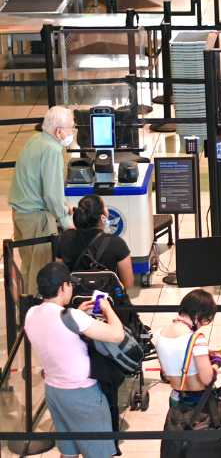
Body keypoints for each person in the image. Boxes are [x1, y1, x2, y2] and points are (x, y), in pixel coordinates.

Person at [26, 263, 128, 458]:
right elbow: (117, 335)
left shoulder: (31, 314)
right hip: (83, 395)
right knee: (100, 453)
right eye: (71, 285)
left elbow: (57, 335)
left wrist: (77, 313)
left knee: (69, 451)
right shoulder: (73, 317)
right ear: (64, 286)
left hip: (54, 392)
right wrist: (107, 309)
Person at [9, 106, 77, 294]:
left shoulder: (35, 140)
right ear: (59, 131)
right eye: (71, 128)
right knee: (40, 272)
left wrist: (63, 203)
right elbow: (51, 194)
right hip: (37, 219)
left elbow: (38, 182)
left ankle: (23, 314)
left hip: (21, 215)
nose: (73, 132)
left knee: (28, 267)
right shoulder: (52, 149)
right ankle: (35, 317)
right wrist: (67, 221)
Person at [153, 289, 221, 405]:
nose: (202, 325)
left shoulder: (160, 334)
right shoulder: (196, 339)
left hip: (176, 399)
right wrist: (217, 362)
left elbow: (167, 373)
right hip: (198, 402)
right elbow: (207, 379)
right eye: (206, 320)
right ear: (198, 316)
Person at [55, 195, 134, 292]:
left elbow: (59, 274)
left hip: (75, 301)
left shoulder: (66, 238)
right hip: (106, 302)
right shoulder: (116, 243)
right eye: (105, 207)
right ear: (102, 218)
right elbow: (128, 283)